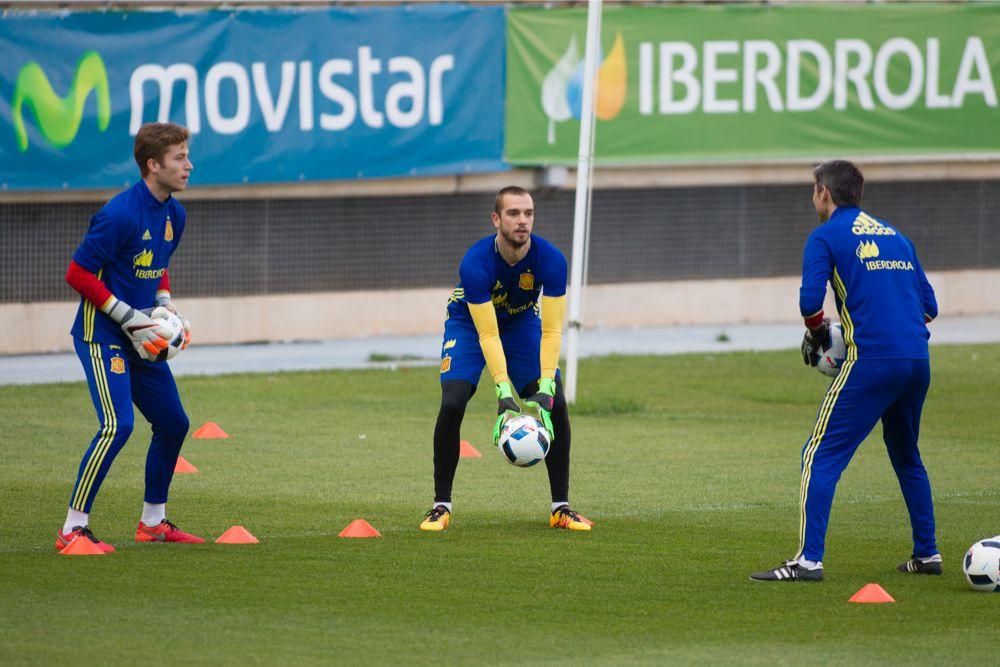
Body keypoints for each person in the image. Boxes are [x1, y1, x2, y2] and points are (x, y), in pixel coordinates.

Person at [751, 160, 940, 582]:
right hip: (917, 361)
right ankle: (927, 553)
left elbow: (809, 305)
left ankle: (808, 561)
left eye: (812, 189)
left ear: (823, 191)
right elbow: (930, 308)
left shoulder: (826, 236)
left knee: (818, 454)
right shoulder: (897, 237)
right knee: (907, 455)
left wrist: (821, 336)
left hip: (872, 362)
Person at [57, 122, 203, 552]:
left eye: (187, 155)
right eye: (179, 158)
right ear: (152, 164)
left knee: (174, 423)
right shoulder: (119, 213)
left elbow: (156, 263)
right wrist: (126, 316)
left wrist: (164, 302)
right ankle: (73, 527)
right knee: (116, 426)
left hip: (144, 339)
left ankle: (153, 523)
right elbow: (77, 273)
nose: (188, 165)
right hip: (102, 335)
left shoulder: (175, 214)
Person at [420, 186, 593, 532]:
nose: (523, 221)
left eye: (528, 213)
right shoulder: (475, 262)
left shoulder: (552, 260)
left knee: (556, 399)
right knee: (453, 402)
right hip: (470, 324)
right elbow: (487, 335)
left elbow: (552, 331)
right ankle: (441, 505)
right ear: (496, 219)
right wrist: (503, 394)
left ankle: (561, 508)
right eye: (514, 213)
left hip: (520, 325)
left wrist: (544, 386)